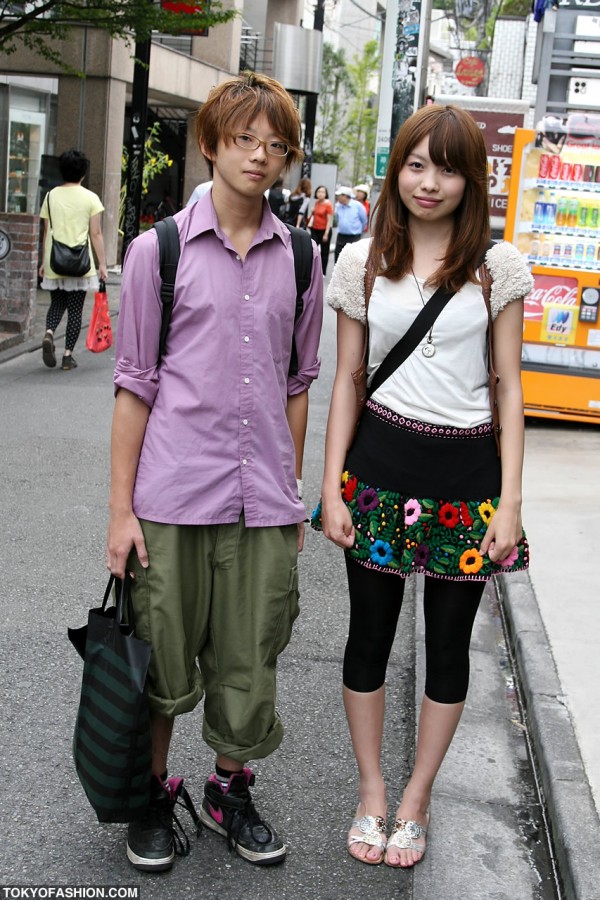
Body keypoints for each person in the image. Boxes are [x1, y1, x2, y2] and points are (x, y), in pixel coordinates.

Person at [106, 71, 323, 873]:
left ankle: (231, 792)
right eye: (245, 140)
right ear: (210, 144)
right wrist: (120, 513)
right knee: (160, 662)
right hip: (170, 496)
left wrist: (289, 494)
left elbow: (298, 385)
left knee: (249, 659)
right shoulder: (154, 251)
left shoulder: (301, 256)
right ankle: (154, 796)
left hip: (261, 501)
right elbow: (134, 387)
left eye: (276, 145)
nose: (261, 157)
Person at [313, 104, 532, 869]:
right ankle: (373, 790)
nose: (428, 182)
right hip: (376, 476)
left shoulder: (496, 267)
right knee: (368, 637)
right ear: (395, 170)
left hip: (466, 482)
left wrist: (508, 501)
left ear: (472, 178)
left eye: (445, 167)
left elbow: (508, 389)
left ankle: (416, 799)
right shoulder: (362, 261)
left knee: (446, 647)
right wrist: (333, 486)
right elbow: (346, 379)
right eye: (415, 164)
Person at [39, 149, 108, 370]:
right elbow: (96, 234)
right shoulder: (91, 198)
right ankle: (68, 357)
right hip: (80, 264)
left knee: (56, 303)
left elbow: (46, 231)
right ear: (83, 173)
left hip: (55, 261)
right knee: (76, 310)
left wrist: (43, 261)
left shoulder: (50, 196)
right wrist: (103, 264)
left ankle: (49, 333)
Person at [333, 187, 367, 263]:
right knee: (338, 258)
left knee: (351, 260)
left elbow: (364, 221)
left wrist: (359, 232)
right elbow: (337, 219)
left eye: (339, 196)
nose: (338, 198)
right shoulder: (338, 206)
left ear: (345, 196)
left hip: (354, 236)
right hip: (341, 236)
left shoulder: (358, 206)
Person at [307, 185, 334, 275]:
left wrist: (326, 234)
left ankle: (323, 272)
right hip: (315, 229)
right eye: (319, 192)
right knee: (312, 249)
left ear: (326, 194)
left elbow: (329, 221)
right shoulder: (317, 203)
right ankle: (312, 269)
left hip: (324, 231)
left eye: (322, 192)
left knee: (324, 252)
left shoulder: (328, 205)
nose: (320, 194)